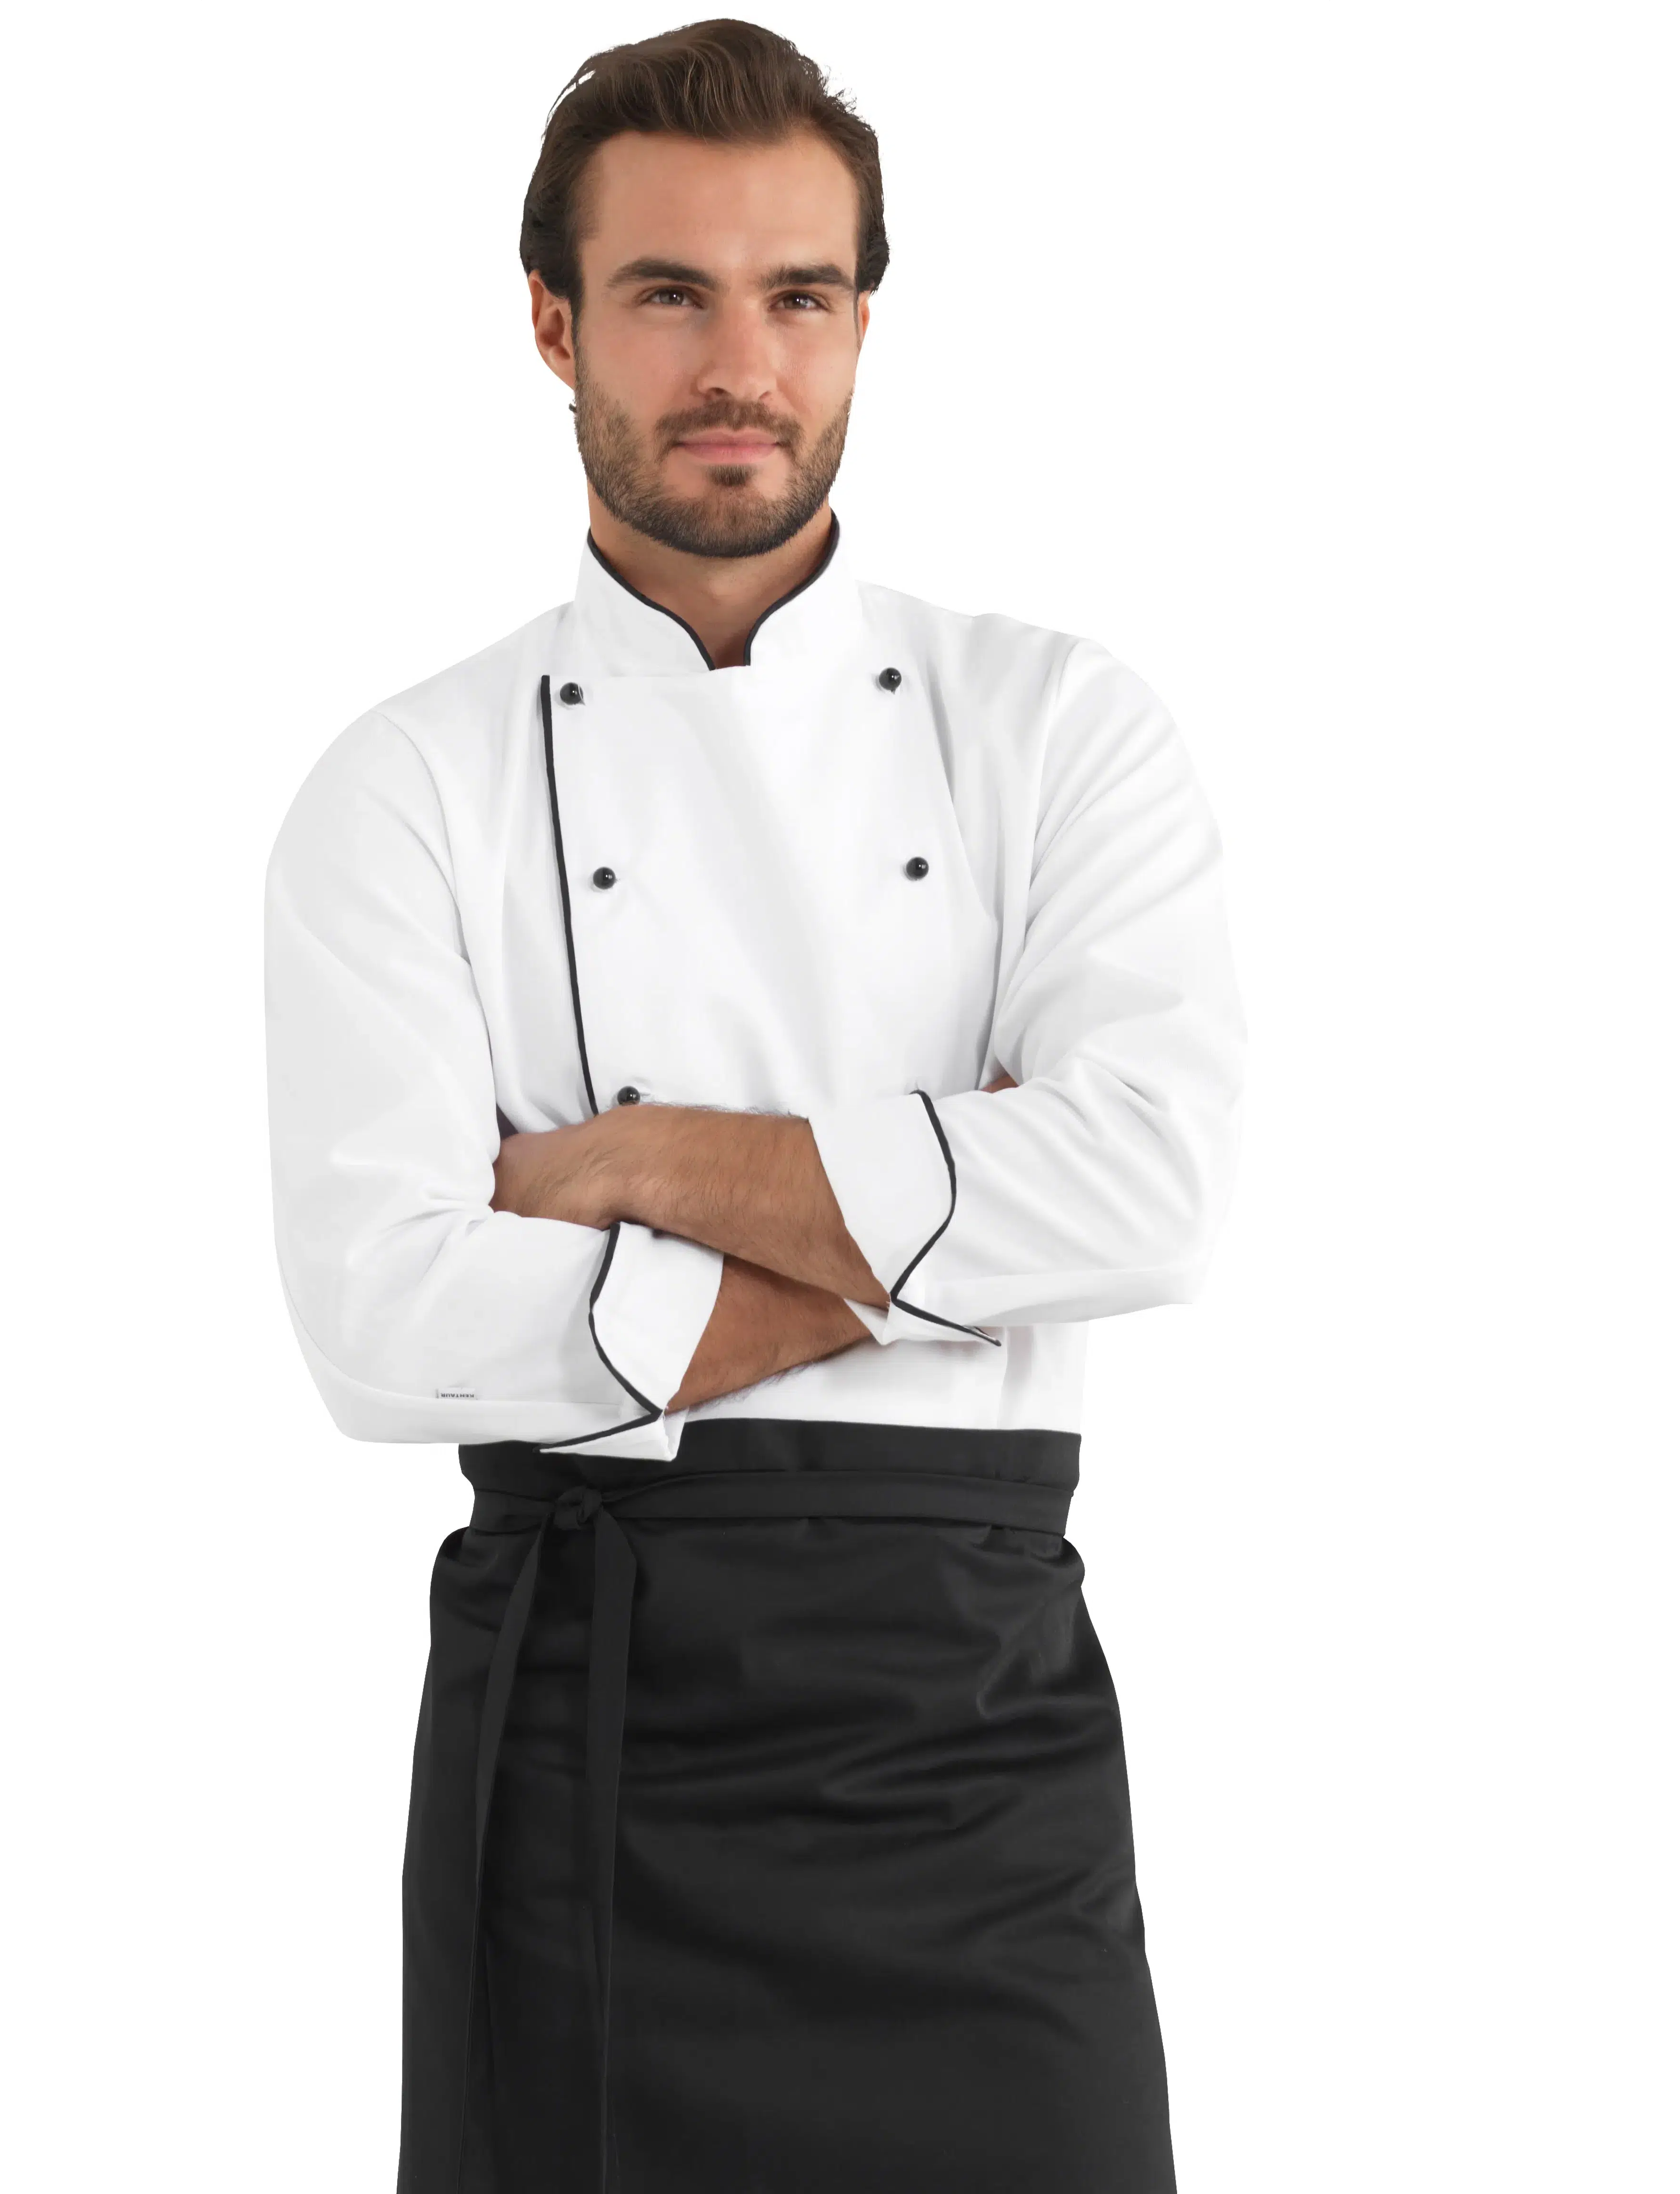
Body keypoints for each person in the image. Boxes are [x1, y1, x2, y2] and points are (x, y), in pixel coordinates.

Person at [265, 20, 1245, 2193]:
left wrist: (636, 1169)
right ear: (554, 325)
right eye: (669, 293)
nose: (742, 365)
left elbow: (1158, 1191)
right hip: (590, 1718)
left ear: (864, 322)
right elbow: (384, 1325)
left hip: (976, 1733)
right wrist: (953, 1223)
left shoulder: (1056, 727)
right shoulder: (405, 784)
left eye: (800, 294)